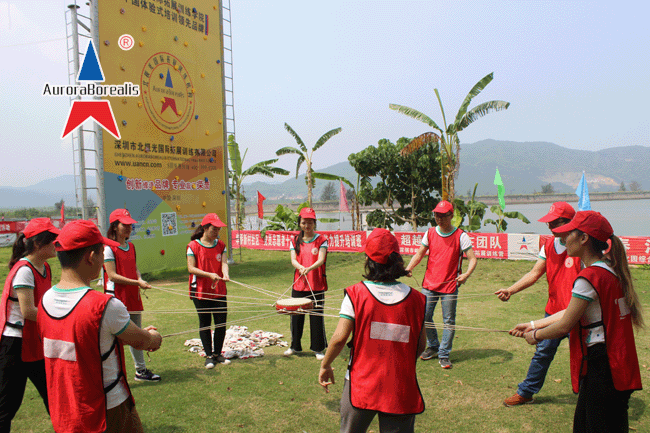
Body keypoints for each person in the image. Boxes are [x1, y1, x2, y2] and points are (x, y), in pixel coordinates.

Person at [511, 211, 643, 433]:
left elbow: (565, 325)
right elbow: (569, 312)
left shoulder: (589, 277)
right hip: (616, 363)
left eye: (569, 233)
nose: (563, 239)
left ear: (584, 239)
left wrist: (535, 336)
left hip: (603, 364)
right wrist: (534, 324)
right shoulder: (609, 269)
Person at [37, 220, 162, 433]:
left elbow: (86, 344)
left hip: (66, 409)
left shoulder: (45, 300)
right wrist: (153, 336)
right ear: (92, 257)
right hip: (107, 409)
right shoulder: (104, 306)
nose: (104, 258)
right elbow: (143, 341)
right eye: (102, 253)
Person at [319, 228, 426, 433]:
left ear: (369, 260)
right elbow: (421, 346)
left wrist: (326, 365)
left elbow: (339, 339)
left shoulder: (356, 294)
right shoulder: (417, 299)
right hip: (400, 386)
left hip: (361, 384)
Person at [495, 202, 581, 406]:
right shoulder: (549, 244)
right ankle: (526, 392)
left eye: (554, 223)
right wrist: (511, 290)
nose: (550, 228)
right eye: (549, 223)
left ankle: (587, 395)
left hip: (578, 313)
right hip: (552, 312)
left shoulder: (582, 247)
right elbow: (534, 273)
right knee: (542, 353)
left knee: (583, 358)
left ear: (569, 223)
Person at [0, 218, 58, 432]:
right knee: (7, 406)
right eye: (52, 239)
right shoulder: (24, 270)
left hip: (35, 342)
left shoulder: (45, 268)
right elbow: (28, 311)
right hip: (15, 345)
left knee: (53, 397)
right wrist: (59, 318)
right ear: (37, 243)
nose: (56, 243)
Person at [404, 200, 477, 369]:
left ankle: (444, 354)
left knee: (449, 321)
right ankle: (434, 345)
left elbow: (472, 259)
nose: (439, 219)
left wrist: (466, 274)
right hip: (429, 284)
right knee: (424, 317)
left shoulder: (461, 236)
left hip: (449, 286)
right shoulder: (430, 233)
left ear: (451, 216)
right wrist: (408, 268)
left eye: (443, 216)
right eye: (437, 215)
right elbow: (420, 253)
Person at [103, 208, 160, 382]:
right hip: (116, 298)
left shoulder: (131, 247)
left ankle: (140, 371)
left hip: (132, 296)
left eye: (130, 225)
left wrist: (140, 279)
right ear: (114, 227)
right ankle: (112, 374)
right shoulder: (108, 249)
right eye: (124, 225)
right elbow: (112, 275)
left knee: (136, 333)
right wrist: (137, 283)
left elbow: (134, 269)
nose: (129, 228)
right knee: (115, 337)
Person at [187, 213, 231, 369]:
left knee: (221, 323)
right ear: (205, 228)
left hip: (219, 290)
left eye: (218, 230)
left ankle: (218, 353)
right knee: (205, 323)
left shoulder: (221, 245)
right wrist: (209, 274)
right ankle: (208, 355)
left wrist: (225, 274)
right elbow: (191, 268)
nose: (216, 232)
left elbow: (224, 263)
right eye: (214, 229)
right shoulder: (194, 246)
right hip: (200, 290)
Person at [284, 207, 328, 360]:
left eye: (310, 222)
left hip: (316, 284)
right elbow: (293, 260)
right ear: (300, 223)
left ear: (314, 223)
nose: (307, 226)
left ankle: (318, 348)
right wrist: (301, 267)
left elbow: (321, 259)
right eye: (304, 222)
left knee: (316, 316)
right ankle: (294, 346)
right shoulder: (294, 240)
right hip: (299, 284)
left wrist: (309, 268)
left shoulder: (321, 240)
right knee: (296, 316)